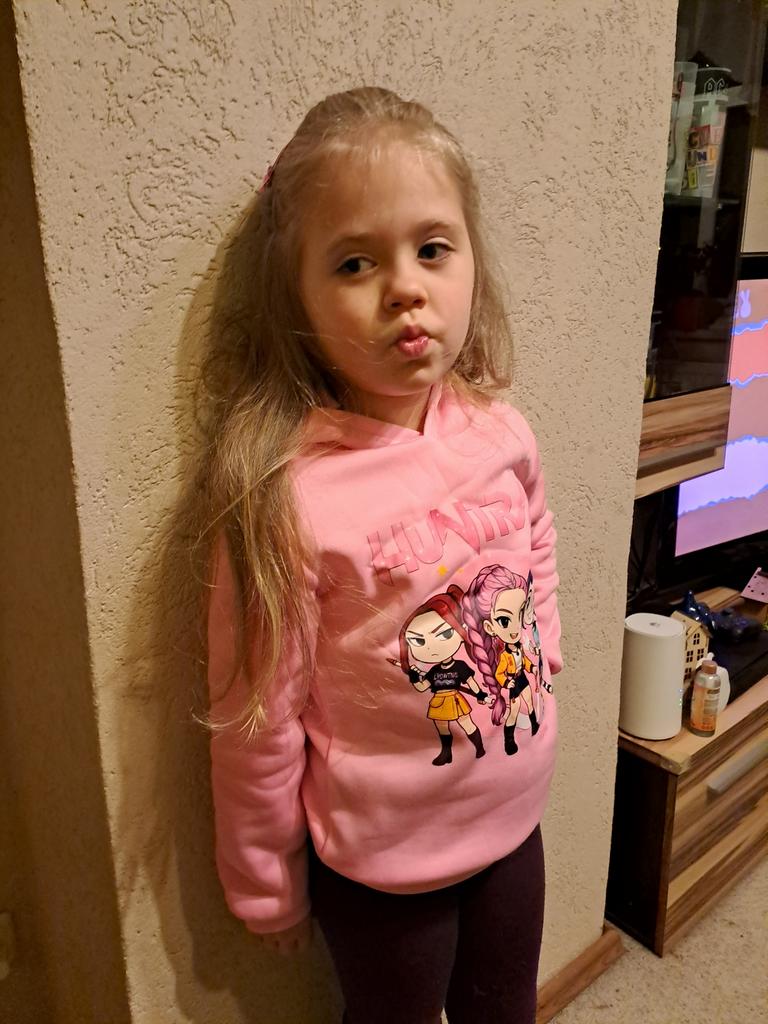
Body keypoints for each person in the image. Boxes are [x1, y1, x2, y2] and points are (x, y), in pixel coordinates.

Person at [204, 86, 562, 1024]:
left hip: (513, 819)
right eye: (356, 262)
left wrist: (545, 650)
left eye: (432, 249)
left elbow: (537, 542)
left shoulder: (501, 433)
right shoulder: (292, 499)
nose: (405, 287)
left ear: (472, 261)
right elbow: (256, 718)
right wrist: (265, 880)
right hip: (383, 866)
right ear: (296, 295)